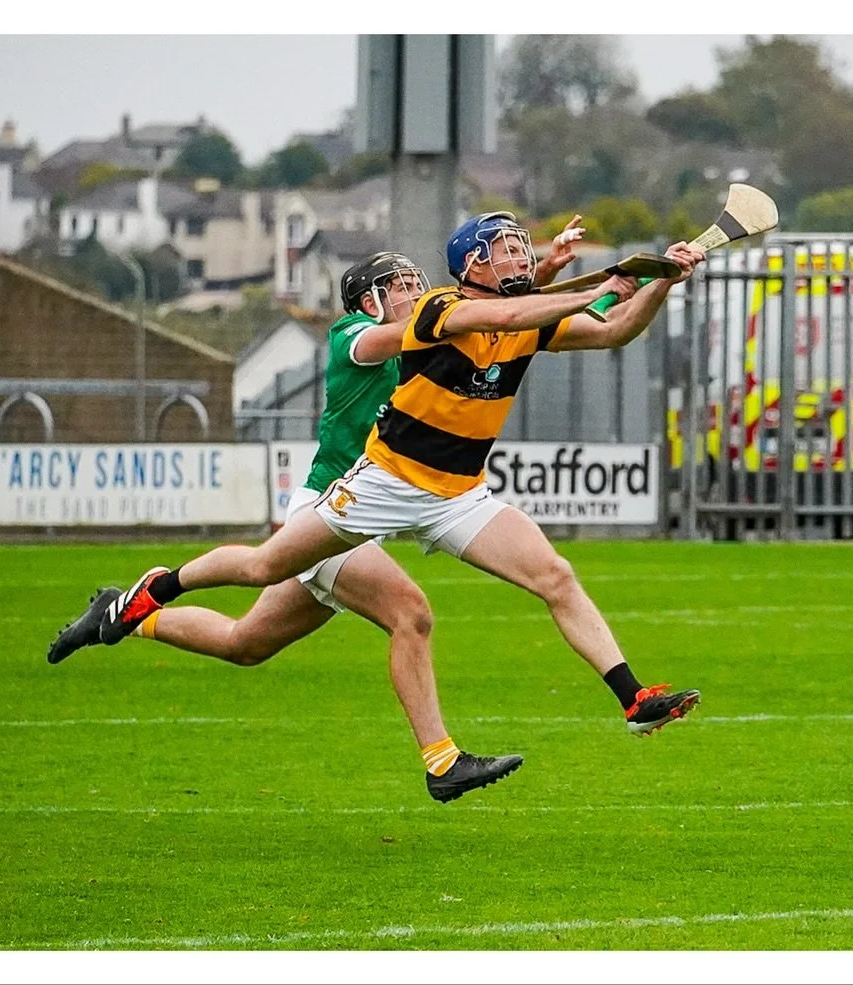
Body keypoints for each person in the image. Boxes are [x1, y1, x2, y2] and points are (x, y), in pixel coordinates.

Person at [83, 211, 707, 751]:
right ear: (472, 265)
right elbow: (519, 308)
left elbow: (612, 330)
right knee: (263, 568)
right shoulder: (440, 307)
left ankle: (632, 699)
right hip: (382, 483)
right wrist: (603, 283)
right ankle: (157, 588)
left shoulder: (522, 320)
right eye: (507, 250)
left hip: (458, 493)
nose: (519, 256)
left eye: (523, 247)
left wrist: (660, 285)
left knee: (555, 576)